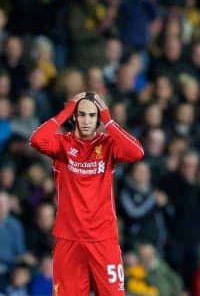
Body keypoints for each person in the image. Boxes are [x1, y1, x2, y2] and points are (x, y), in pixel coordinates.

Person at [29, 92, 144, 294]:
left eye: (92, 115)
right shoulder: (62, 145)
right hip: (69, 240)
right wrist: (65, 111)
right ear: (74, 116)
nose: (86, 120)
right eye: (81, 114)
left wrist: (108, 121)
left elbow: (137, 152)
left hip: (103, 239)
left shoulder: (107, 145)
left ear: (98, 118)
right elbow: (37, 140)